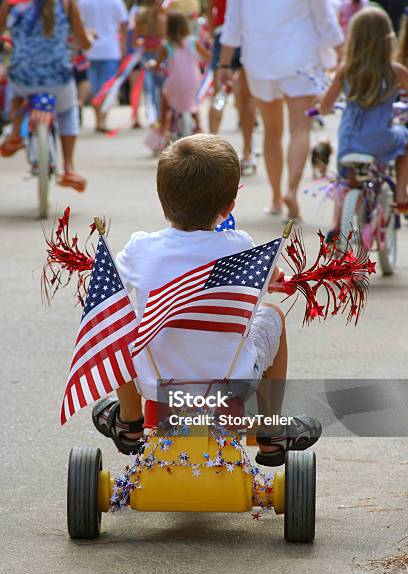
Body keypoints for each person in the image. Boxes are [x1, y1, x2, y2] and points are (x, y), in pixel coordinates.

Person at [91, 133, 322, 467]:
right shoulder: (241, 246)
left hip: (155, 383)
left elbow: (107, 292)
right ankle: (270, 430)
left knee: (116, 318)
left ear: (162, 200)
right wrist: (275, 281)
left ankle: (128, 421)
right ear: (229, 206)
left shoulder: (140, 248)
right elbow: (272, 278)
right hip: (229, 383)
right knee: (272, 316)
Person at [219, 0, 344, 220]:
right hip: (300, 57)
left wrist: (224, 64)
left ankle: (276, 198)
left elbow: (232, 24)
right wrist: (341, 51)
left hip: (260, 60)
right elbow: (323, 16)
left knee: (271, 132)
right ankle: (291, 192)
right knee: (299, 129)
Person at [320, 6, 408, 213]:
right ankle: (402, 194)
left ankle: (336, 227)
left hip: (349, 142)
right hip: (381, 139)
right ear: (387, 38)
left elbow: (325, 106)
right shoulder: (394, 71)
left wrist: (323, 109)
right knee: (405, 140)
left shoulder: (345, 71)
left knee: (345, 184)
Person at [0, 0, 93, 191]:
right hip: (58, 77)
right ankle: (68, 167)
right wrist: (89, 39)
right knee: (68, 112)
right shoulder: (66, 3)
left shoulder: (11, 3)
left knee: (16, 93)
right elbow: (84, 42)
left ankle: (16, 132)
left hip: (22, 75)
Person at [207, 0, 257, 176]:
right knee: (247, 100)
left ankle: (210, 149)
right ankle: (247, 153)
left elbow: (210, 10)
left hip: (223, 34)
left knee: (219, 95)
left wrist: (212, 31)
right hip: (247, 36)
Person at [156, 11, 210, 137]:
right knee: (193, 105)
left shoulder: (166, 45)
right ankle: (200, 129)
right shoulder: (193, 41)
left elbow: (158, 65)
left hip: (174, 82)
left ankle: (163, 130)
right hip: (193, 81)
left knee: (165, 101)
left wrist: (154, 66)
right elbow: (208, 57)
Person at [77, 0, 128, 132]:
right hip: (110, 50)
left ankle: (98, 120)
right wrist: (123, 47)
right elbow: (123, 25)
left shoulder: (82, 2)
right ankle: (102, 121)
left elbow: (78, 24)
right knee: (107, 88)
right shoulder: (116, 2)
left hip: (89, 50)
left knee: (95, 88)